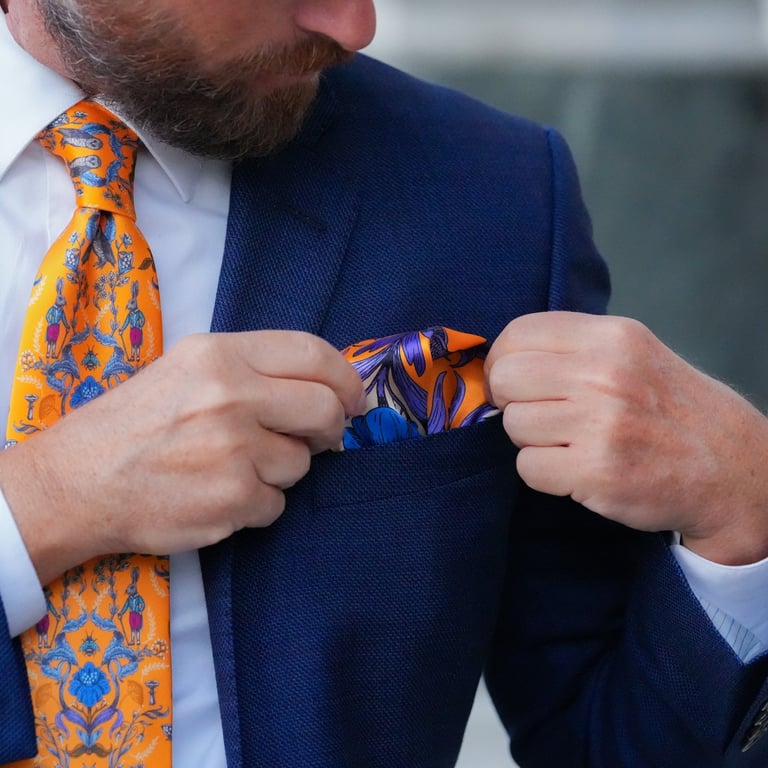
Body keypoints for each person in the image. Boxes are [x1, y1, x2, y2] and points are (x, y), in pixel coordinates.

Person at [0, 0, 766, 766]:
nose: (355, 25)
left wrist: (746, 515)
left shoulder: (487, 191)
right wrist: (43, 505)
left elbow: (608, 742)